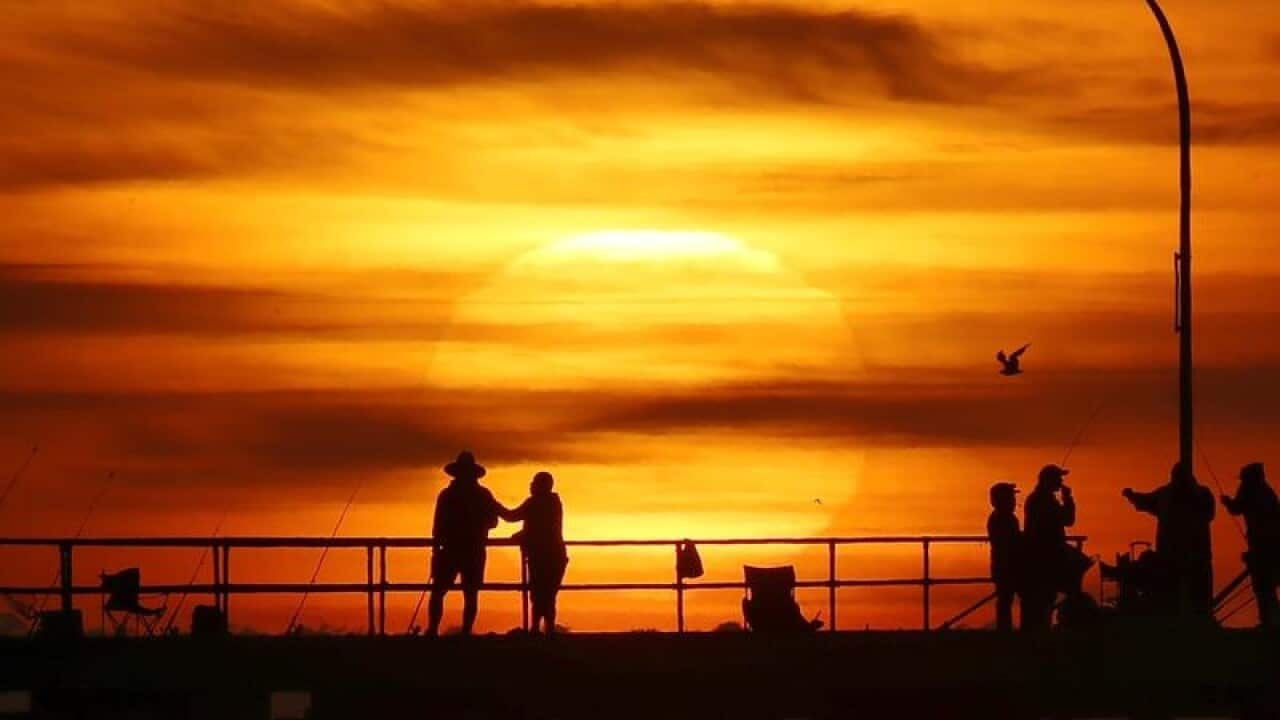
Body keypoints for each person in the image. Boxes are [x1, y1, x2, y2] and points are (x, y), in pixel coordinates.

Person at [427, 451, 506, 637]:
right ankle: (465, 632)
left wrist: (436, 547)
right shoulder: (482, 495)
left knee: (439, 591)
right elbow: (495, 520)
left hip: (450, 549)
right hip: (474, 550)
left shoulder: (447, 495)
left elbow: (437, 525)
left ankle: (433, 630)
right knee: (470, 593)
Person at [1123, 461, 1215, 619]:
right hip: (1179, 555)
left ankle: (1198, 622)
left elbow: (1146, 501)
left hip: (1188, 555)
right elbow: (1146, 501)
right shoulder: (1175, 494)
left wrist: (1131, 496)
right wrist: (1132, 496)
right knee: (1180, 594)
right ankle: (1191, 622)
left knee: (1192, 594)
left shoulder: (1193, 494)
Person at [503, 471, 569, 635]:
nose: (531, 485)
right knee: (548, 595)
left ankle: (537, 629)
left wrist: (492, 505)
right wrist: (523, 534)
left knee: (540, 594)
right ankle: (547, 630)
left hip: (542, 556)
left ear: (540, 485)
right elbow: (540, 526)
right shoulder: (554, 503)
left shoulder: (535, 503)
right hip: (556, 555)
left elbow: (512, 516)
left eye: (534, 482)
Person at [1221, 463, 1280, 626]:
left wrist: (1226, 502)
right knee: (1268, 585)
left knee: (1263, 586)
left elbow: (1236, 508)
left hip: (1262, 546)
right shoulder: (1269, 494)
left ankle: (1269, 621)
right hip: (1273, 546)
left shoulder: (1250, 491)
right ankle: (1272, 620)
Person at [1022, 465, 1076, 631]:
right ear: (1048, 480)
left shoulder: (1038, 498)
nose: (1061, 481)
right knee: (1044, 596)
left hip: (1040, 554)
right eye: (1058, 478)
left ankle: (1038, 631)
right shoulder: (1044, 500)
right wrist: (1068, 499)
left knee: (1042, 597)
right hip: (1045, 556)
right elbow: (1068, 519)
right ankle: (1040, 632)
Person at [986, 482, 1022, 632]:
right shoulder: (1005, 518)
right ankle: (1005, 631)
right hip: (1007, 565)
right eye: (1011, 497)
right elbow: (1012, 542)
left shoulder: (998, 517)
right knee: (1006, 600)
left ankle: (1005, 631)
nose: (1014, 501)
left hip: (1002, 565)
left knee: (1005, 599)